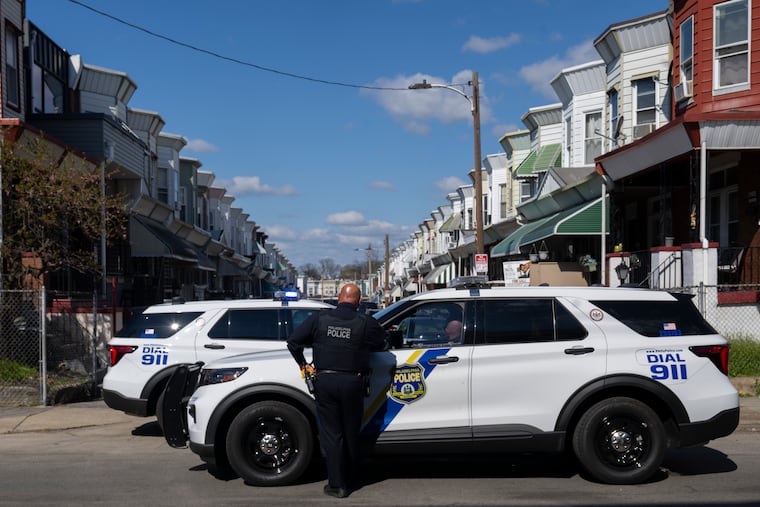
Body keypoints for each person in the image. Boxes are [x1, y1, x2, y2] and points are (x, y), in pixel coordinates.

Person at [287, 283, 385, 499]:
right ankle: (351, 478)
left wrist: (304, 365)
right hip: (353, 382)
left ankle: (337, 485)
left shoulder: (319, 319)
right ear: (359, 302)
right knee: (351, 431)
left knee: (332, 435)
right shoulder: (365, 322)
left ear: (339, 298)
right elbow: (381, 343)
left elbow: (293, 342)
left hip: (326, 381)